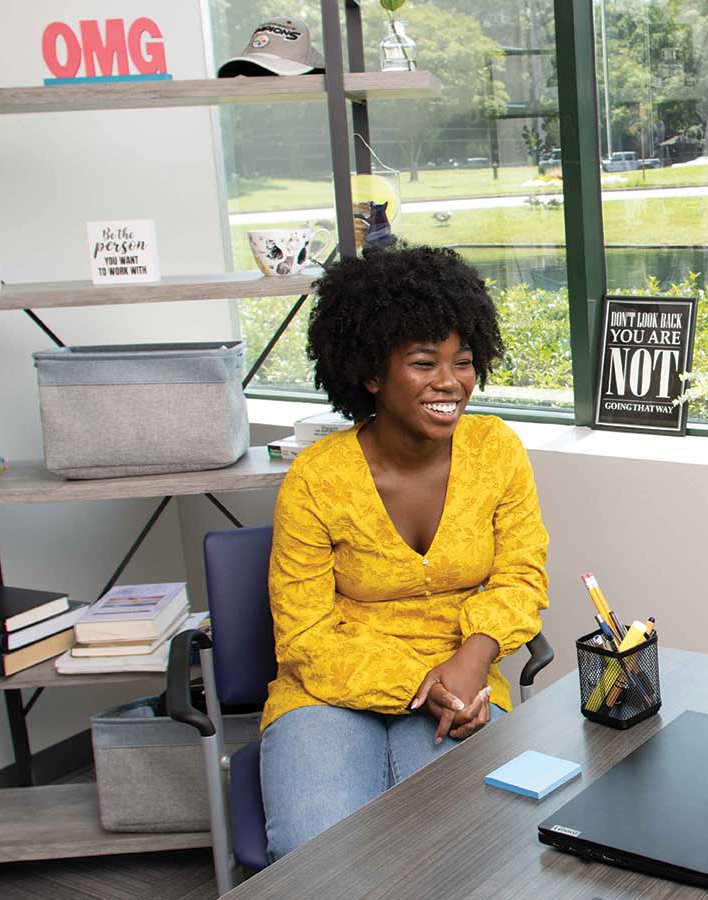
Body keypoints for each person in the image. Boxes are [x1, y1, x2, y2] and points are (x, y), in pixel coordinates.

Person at [258, 245, 549, 862]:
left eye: (463, 361)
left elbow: (521, 577)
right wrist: (421, 684)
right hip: (329, 688)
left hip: (461, 684)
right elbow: (304, 633)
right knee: (321, 854)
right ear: (370, 372)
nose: (451, 382)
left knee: (463, 848)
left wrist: (475, 657)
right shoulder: (316, 477)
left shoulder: (497, 451)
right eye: (423, 362)